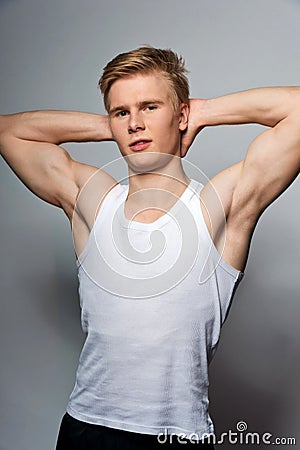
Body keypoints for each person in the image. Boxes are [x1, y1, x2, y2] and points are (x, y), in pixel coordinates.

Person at [0, 46, 299, 449]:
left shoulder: (217, 207)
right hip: (87, 429)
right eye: (122, 111)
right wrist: (112, 125)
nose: (135, 124)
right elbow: (8, 131)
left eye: (150, 107)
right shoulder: (94, 202)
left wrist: (204, 111)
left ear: (180, 115)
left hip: (177, 435)